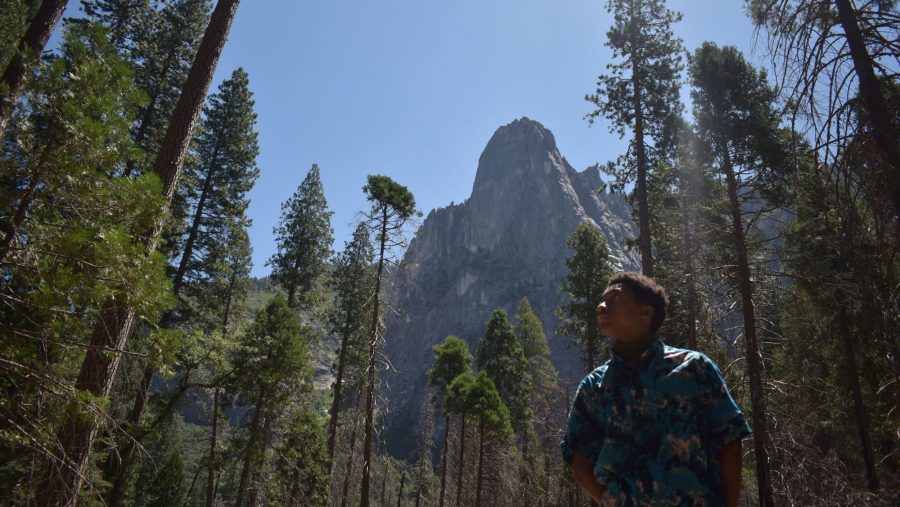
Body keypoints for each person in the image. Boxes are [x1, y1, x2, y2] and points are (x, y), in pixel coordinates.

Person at [561, 272, 750, 506]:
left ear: (645, 312)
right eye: (602, 300)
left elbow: (729, 443)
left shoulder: (695, 369)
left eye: (615, 299)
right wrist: (611, 501)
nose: (601, 307)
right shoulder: (594, 386)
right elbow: (579, 462)